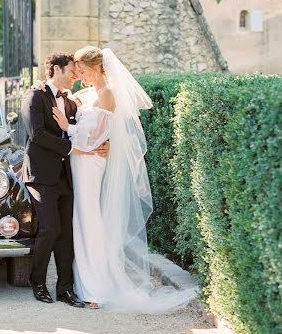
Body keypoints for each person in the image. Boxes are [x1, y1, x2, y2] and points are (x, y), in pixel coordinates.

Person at [52, 46, 196, 312]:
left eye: (82, 69)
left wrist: (66, 127)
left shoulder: (107, 95)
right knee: (81, 220)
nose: (79, 74)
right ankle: (86, 284)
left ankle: (97, 289)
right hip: (80, 160)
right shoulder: (88, 93)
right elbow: (66, 98)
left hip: (90, 162)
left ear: (96, 67)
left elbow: (95, 136)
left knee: (89, 220)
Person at [20, 52, 107, 307]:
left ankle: (65, 289)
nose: (75, 77)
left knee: (66, 233)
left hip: (66, 176)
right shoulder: (34, 96)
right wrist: (72, 149)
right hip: (41, 175)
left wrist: (107, 143)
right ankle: (37, 281)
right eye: (71, 72)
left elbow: (94, 125)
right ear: (57, 70)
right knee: (49, 229)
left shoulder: (71, 102)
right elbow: (37, 135)